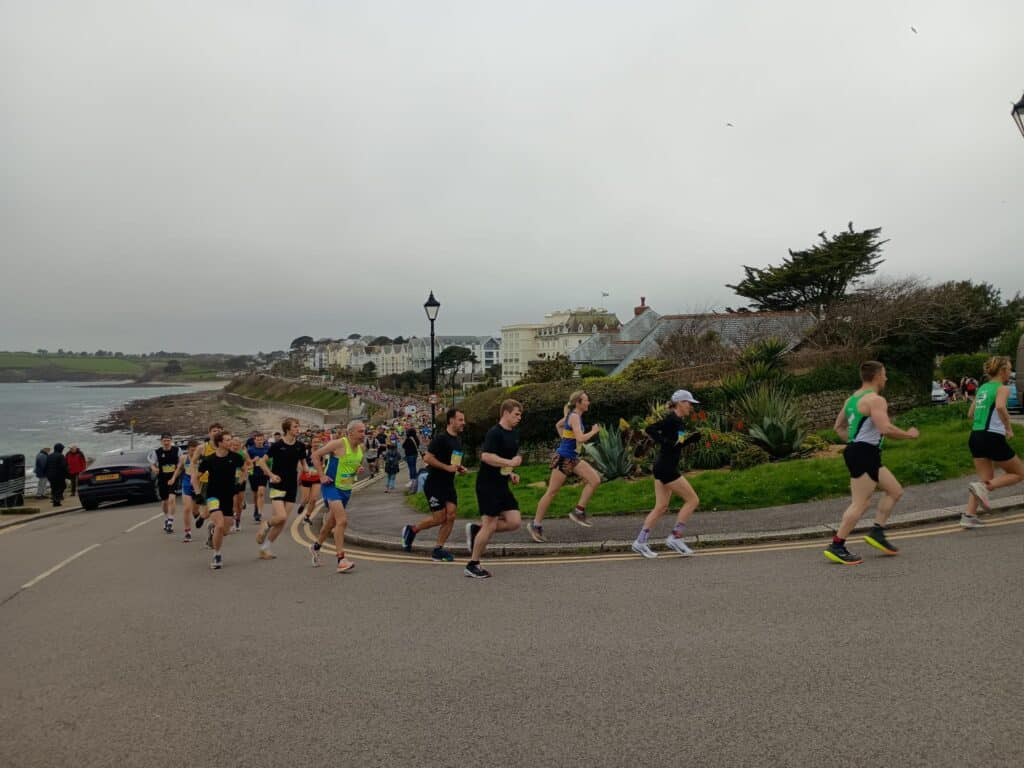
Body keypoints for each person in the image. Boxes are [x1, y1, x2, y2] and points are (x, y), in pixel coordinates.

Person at [824, 361, 920, 565]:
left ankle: (877, 532)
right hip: (864, 453)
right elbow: (886, 428)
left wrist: (853, 443)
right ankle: (837, 545)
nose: (886, 378)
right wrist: (909, 435)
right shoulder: (875, 400)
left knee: (895, 491)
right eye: (884, 374)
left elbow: (838, 427)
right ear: (876, 376)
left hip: (864, 452)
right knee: (861, 503)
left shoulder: (852, 399)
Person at [631, 390, 703, 558]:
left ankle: (640, 542)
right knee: (693, 500)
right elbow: (650, 429)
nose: (690, 406)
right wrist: (664, 441)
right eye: (688, 403)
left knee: (661, 507)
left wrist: (690, 440)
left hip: (663, 466)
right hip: (667, 468)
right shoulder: (671, 420)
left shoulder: (679, 422)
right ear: (680, 403)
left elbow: (678, 445)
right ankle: (675, 538)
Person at [528, 391, 602, 542]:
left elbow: (559, 425)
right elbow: (581, 438)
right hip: (564, 459)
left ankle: (578, 511)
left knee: (595, 480)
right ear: (578, 403)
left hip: (572, 458)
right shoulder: (574, 416)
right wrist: (593, 431)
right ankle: (535, 525)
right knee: (551, 492)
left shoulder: (573, 416)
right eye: (586, 400)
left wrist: (565, 438)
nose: (588, 403)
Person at [464, 399, 524, 579]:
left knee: (514, 521)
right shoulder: (494, 433)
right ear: (505, 413)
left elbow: (508, 458)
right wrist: (510, 462)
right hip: (487, 485)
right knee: (489, 525)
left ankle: (477, 530)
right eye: (516, 414)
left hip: (501, 483)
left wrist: (510, 472)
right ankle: (472, 564)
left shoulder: (514, 433)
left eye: (520, 415)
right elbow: (486, 456)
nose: (519, 418)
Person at [962, 356, 1023, 527]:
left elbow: (970, 414)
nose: (1010, 372)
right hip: (992, 436)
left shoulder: (982, 388)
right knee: (1019, 473)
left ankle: (969, 516)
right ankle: (983, 488)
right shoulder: (1002, 388)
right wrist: (1008, 428)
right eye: (1010, 369)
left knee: (985, 479)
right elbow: (1000, 407)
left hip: (976, 436)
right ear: (1003, 371)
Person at [402, 408, 468, 562]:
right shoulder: (441, 439)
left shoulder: (458, 439)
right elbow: (427, 458)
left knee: (451, 515)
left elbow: (454, 461)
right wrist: (446, 468)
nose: (463, 423)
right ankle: (412, 530)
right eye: (460, 420)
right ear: (451, 421)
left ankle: (438, 549)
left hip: (448, 484)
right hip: (434, 484)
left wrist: (459, 467)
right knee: (439, 518)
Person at [309, 420, 366, 573]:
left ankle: (315, 547)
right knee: (342, 521)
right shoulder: (339, 444)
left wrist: (357, 469)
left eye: (364, 431)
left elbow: (351, 469)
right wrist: (321, 476)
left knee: (330, 523)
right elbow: (315, 455)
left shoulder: (361, 448)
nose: (363, 434)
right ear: (351, 432)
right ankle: (341, 559)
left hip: (346, 489)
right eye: (360, 431)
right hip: (331, 486)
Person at [190, 431, 246, 570]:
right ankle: (217, 555)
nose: (231, 442)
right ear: (220, 442)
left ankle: (212, 529)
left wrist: (240, 483)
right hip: (213, 496)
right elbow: (195, 478)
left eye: (231, 439)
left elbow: (245, 470)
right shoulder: (209, 459)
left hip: (228, 496)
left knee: (225, 530)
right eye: (227, 440)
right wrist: (197, 494)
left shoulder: (236, 457)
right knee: (220, 525)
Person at [253, 417, 306, 560]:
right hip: (277, 484)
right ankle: (266, 524)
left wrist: (305, 473)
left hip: (291, 485)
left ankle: (265, 548)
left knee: (283, 521)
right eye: (295, 426)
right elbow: (261, 462)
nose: (297, 429)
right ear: (287, 429)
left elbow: (303, 464)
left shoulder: (300, 446)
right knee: (281, 516)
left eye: (298, 426)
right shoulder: (277, 445)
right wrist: (271, 475)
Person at [148, 434, 181, 534]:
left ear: (171, 440)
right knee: (165, 501)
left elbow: (180, 464)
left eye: (168, 440)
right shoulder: (156, 452)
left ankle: (170, 521)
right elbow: (152, 464)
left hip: (173, 477)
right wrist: (154, 469)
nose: (166, 442)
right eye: (164, 441)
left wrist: (174, 477)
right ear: (161, 441)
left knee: (172, 498)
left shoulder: (177, 450)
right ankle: (166, 517)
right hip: (162, 478)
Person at [168, 439, 199, 542]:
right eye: (191, 450)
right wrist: (173, 478)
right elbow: (179, 469)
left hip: (198, 484)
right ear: (188, 449)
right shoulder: (183, 458)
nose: (193, 452)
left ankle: (197, 514)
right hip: (186, 483)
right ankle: (187, 532)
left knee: (195, 511)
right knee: (187, 509)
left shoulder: (201, 458)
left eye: (195, 450)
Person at [296, 436, 324, 526]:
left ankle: (307, 517)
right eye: (314, 442)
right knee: (306, 499)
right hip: (306, 477)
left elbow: (324, 465)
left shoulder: (322, 453)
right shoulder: (306, 452)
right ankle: (303, 504)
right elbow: (300, 464)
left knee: (314, 499)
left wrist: (319, 471)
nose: (316, 444)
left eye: (317, 442)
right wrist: (305, 471)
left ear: (320, 443)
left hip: (317, 478)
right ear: (311, 443)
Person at [246, 432, 269, 523]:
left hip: (263, 474)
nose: (260, 441)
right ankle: (256, 509)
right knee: (255, 495)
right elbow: (247, 464)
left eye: (261, 439)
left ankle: (259, 512)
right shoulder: (250, 450)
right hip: (253, 474)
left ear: (264, 440)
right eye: (258, 439)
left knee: (261, 493)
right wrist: (253, 460)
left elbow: (271, 461)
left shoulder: (268, 449)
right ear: (254, 440)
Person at [402, 422, 420, 490]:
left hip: (409, 455)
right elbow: (418, 444)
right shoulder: (416, 438)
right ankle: (414, 480)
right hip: (415, 454)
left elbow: (403, 446)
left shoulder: (408, 439)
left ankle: (412, 480)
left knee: (411, 467)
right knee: (414, 467)